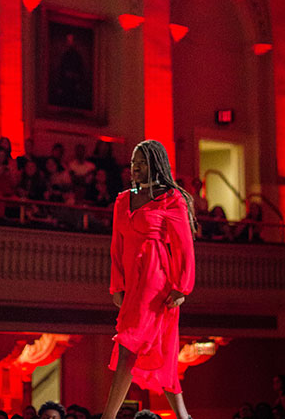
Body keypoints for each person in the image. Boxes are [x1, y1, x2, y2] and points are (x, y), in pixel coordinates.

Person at [103, 139, 196, 419]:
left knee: (128, 346)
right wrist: (116, 285)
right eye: (134, 163)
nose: (136, 168)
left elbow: (184, 245)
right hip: (132, 284)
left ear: (156, 165)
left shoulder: (171, 198)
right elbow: (116, 246)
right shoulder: (122, 200)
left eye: (142, 163)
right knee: (160, 351)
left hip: (157, 281)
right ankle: (183, 416)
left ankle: (107, 417)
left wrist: (182, 287)